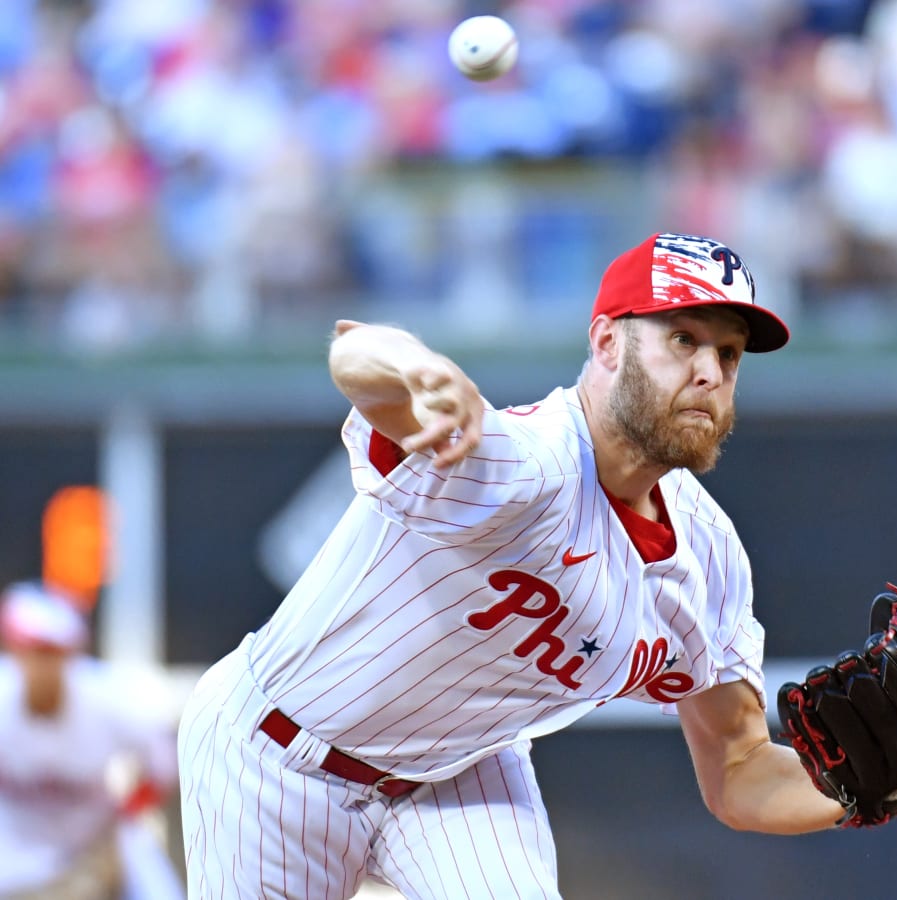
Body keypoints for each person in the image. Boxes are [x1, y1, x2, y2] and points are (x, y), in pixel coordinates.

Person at [178, 232, 846, 899]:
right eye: (683, 339)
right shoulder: (525, 463)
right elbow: (356, 352)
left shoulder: (711, 560)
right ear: (608, 342)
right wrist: (416, 367)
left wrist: (854, 788)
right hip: (277, 753)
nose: (709, 371)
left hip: (460, 774)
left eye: (728, 354)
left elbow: (740, 770)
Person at [0, 579, 182, 900]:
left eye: (53, 652)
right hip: (13, 849)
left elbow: (164, 761)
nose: (43, 665)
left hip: (95, 841)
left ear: (73, 652)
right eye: (34, 650)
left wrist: (127, 810)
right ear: (13, 649)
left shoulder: (105, 697)